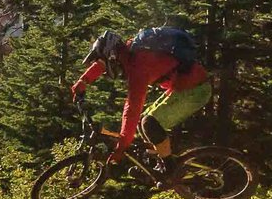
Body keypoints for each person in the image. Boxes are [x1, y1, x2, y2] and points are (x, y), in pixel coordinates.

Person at [71, 28, 209, 162]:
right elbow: (101, 64)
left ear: (112, 56)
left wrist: (122, 146)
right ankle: (158, 163)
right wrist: (83, 80)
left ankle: (170, 169)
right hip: (182, 88)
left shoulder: (139, 65)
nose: (106, 70)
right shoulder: (129, 52)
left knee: (149, 123)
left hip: (195, 91)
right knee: (142, 123)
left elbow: (132, 107)